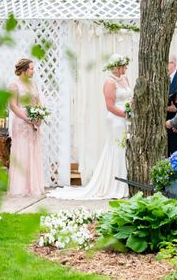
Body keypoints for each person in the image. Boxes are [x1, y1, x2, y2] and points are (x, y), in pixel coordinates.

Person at [48, 54, 131, 199]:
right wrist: (126, 114)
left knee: (124, 150)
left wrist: (132, 108)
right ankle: (115, 185)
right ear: (117, 67)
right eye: (123, 66)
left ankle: (125, 183)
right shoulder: (109, 83)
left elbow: (130, 97)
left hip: (127, 118)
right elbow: (110, 106)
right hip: (116, 119)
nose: (125, 68)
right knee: (117, 149)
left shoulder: (125, 79)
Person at [8, 58, 45, 196]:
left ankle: (33, 186)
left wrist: (39, 116)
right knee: (22, 152)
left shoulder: (33, 84)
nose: (33, 71)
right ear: (23, 70)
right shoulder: (14, 85)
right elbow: (13, 105)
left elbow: (38, 101)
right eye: (31, 68)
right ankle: (21, 187)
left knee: (33, 152)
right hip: (21, 123)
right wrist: (27, 118)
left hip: (34, 123)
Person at [166, 55, 177, 156]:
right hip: (164, 124)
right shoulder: (162, 78)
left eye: (168, 63)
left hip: (176, 126)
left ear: (173, 64)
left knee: (176, 154)